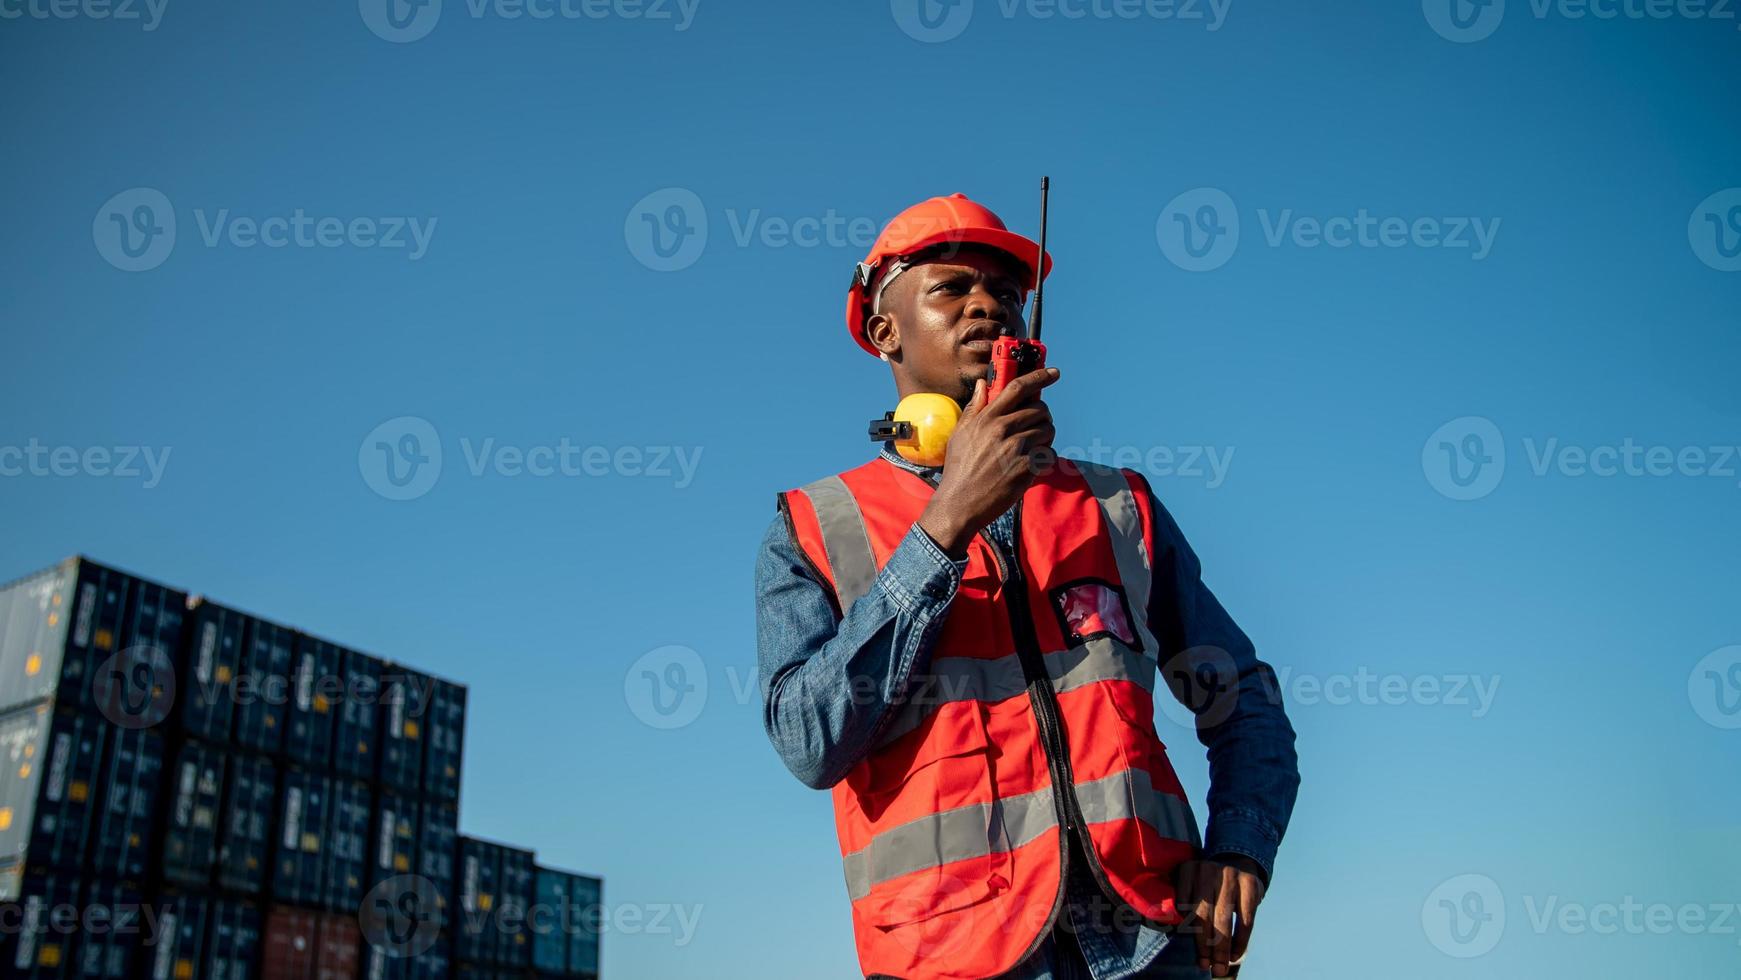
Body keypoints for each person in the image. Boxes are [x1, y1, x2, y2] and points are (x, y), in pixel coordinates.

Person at [754, 192, 1299, 980]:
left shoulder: (1119, 505)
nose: (986, 306)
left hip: (1149, 942)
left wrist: (1241, 845)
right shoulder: (812, 526)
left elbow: (1242, 695)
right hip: (949, 958)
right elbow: (809, 743)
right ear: (884, 332)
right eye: (950, 288)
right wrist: (944, 526)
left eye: (1004, 293)